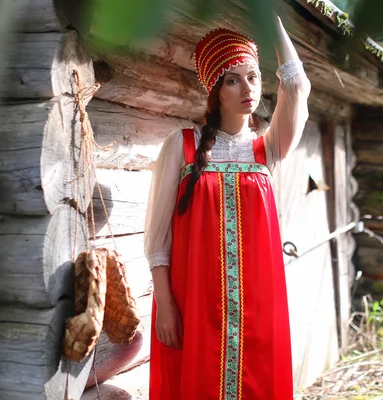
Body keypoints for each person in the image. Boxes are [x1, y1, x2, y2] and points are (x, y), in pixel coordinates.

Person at [144, 16, 311, 400]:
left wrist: (273, 20)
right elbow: (157, 237)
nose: (246, 88)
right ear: (215, 90)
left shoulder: (268, 149)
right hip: (194, 302)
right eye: (233, 80)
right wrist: (165, 303)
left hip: (258, 307)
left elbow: (298, 84)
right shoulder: (182, 146)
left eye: (253, 77)